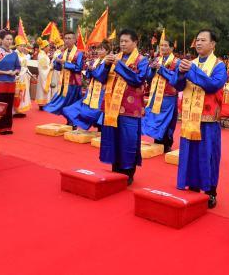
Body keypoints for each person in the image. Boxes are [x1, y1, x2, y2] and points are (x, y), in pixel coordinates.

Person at [171, 29, 228, 208]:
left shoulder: (219, 65)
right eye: (197, 40)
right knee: (190, 153)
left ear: (213, 44)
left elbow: (213, 85)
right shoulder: (190, 63)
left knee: (208, 155)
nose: (199, 43)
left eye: (204, 40)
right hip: (189, 118)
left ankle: (210, 191)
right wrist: (180, 73)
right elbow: (178, 85)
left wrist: (191, 71)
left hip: (207, 120)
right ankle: (192, 185)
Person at [95, 29, 149, 185]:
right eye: (121, 41)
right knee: (113, 138)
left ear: (135, 42)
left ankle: (128, 172)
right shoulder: (114, 58)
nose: (123, 44)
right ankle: (115, 170)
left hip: (130, 109)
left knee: (129, 140)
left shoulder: (141, 60)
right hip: (112, 107)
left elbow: (137, 79)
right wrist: (105, 66)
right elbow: (100, 78)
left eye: (126, 41)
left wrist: (119, 66)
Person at [142, 36, 180, 154]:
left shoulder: (176, 62)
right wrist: (152, 70)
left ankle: (167, 144)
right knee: (155, 118)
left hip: (169, 96)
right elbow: (148, 77)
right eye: (161, 45)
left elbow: (176, 79)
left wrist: (162, 69)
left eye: (165, 45)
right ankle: (157, 141)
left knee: (168, 120)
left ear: (172, 48)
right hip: (155, 94)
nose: (163, 48)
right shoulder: (156, 59)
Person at [62, 40, 110, 130]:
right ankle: (75, 122)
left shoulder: (107, 63)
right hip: (92, 88)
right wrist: (89, 69)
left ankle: (100, 128)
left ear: (107, 51)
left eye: (102, 50)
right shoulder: (95, 61)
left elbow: (101, 76)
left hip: (102, 90)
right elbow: (88, 75)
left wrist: (92, 70)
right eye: (99, 50)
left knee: (98, 109)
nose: (99, 52)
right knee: (85, 106)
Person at [43, 32, 84, 123]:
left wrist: (63, 62)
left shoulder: (79, 53)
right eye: (65, 38)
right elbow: (58, 68)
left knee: (72, 104)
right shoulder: (63, 53)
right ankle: (69, 121)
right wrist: (56, 62)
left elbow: (78, 68)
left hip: (74, 83)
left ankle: (72, 122)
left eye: (70, 38)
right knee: (64, 103)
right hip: (64, 83)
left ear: (74, 40)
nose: (67, 40)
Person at [0, 31, 21, 135]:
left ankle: (8, 126)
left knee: (9, 104)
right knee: (1, 105)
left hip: (11, 82)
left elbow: (18, 67)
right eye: (7, 39)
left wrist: (15, 72)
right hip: (0, 83)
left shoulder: (14, 54)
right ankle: (0, 127)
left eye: (11, 39)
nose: (9, 41)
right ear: (2, 40)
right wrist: (6, 72)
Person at [13, 36, 32, 117]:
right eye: (20, 45)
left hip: (24, 76)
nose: (22, 47)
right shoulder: (14, 54)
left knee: (23, 93)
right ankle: (15, 110)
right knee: (17, 93)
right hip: (18, 76)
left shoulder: (23, 55)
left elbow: (25, 66)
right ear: (16, 46)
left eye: (23, 46)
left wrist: (30, 74)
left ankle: (20, 109)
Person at [35, 38, 53, 109]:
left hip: (45, 75)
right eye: (48, 46)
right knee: (43, 89)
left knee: (43, 90)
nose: (49, 48)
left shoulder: (43, 54)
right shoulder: (42, 56)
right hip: (44, 75)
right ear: (44, 47)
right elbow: (43, 68)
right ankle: (42, 104)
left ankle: (44, 103)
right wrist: (50, 67)